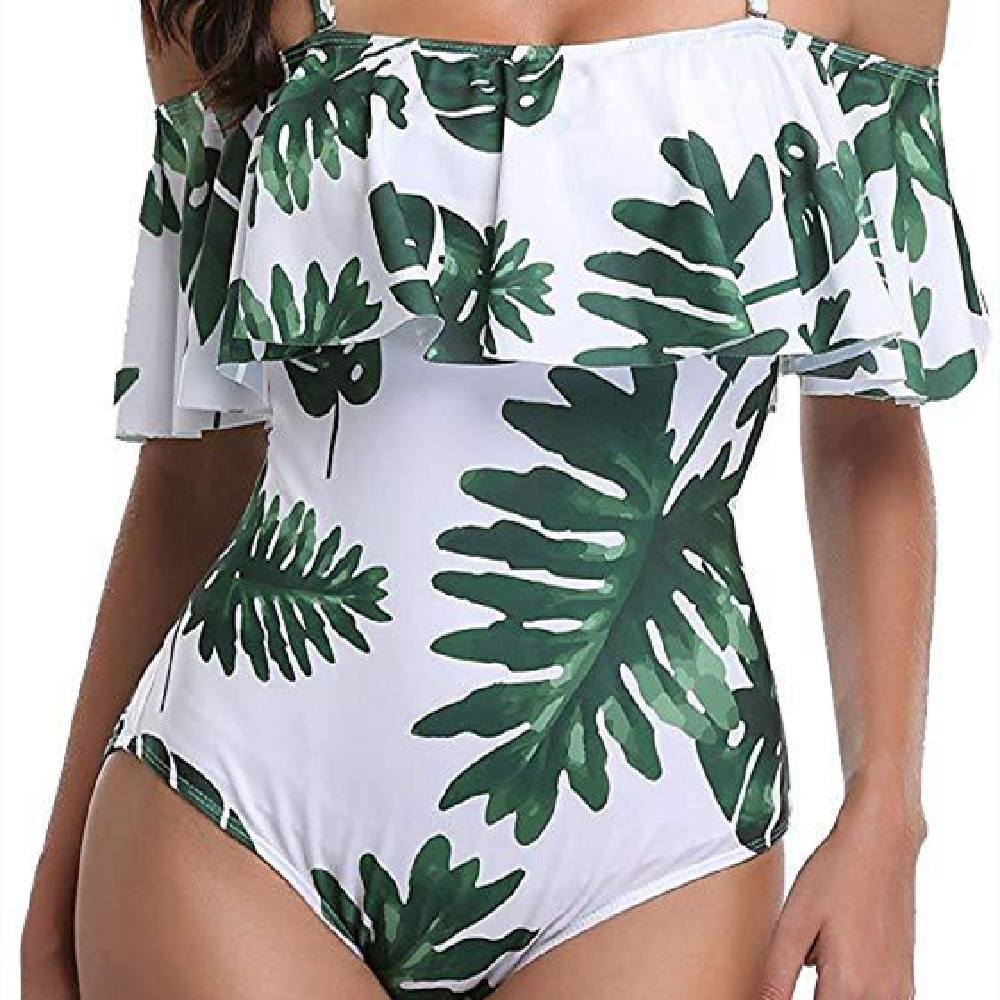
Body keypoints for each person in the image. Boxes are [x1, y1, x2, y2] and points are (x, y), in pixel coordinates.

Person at [21, 1, 991, 998]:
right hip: (231, 816)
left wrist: (886, 811)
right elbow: (191, 475)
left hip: (661, 847)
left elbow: (868, 428)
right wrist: (56, 873)